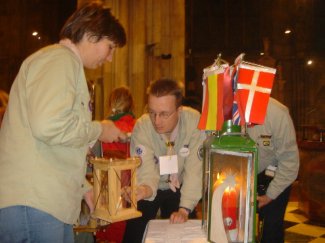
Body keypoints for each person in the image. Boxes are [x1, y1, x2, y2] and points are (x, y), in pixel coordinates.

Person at [0, 3, 126, 243]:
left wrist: (83, 189)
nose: (110, 58)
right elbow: (49, 125)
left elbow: (55, 144)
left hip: (43, 203)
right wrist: (100, 129)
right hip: (35, 203)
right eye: (110, 48)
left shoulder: (63, 63)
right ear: (91, 35)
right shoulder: (59, 59)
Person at [122, 78, 205, 243]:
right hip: (151, 185)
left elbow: (195, 170)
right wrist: (144, 190)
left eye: (164, 114)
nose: (156, 121)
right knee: (135, 233)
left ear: (179, 110)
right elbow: (145, 168)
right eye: (152, 112)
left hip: (180, 184)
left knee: (183, 232)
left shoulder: (195, 122)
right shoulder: (143, 126)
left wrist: (184, 209)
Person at [247, 97, 299, 243]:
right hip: (243, 177)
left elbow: (289, 163)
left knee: (270, 232)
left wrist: (270, 195)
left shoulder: (278, 113)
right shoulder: (226, 110)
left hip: (276, 176)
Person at [94, 86, 136, 243]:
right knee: (121, 217)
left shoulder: (103, 126)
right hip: (130, 181)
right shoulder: (137, 125)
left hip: (105, 180)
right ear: (131, 104)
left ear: (111, 103)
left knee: (107, 216)